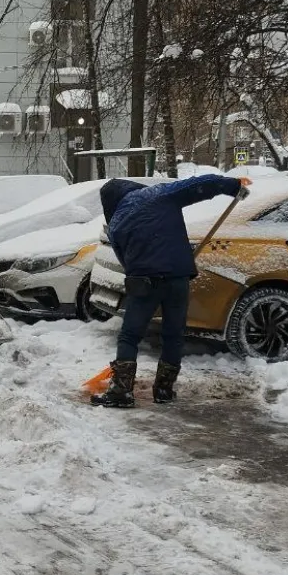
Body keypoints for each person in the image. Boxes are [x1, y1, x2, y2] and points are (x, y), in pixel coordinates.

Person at [95, 174, 249, 408]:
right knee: (173, 335)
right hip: (178, 278)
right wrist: (233, 185)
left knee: (130, 335)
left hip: (144, 281)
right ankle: (164, 390)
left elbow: (125, 261)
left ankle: (121, 392)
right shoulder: (159, 194)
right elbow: (198, 185)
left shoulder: (116, 224)